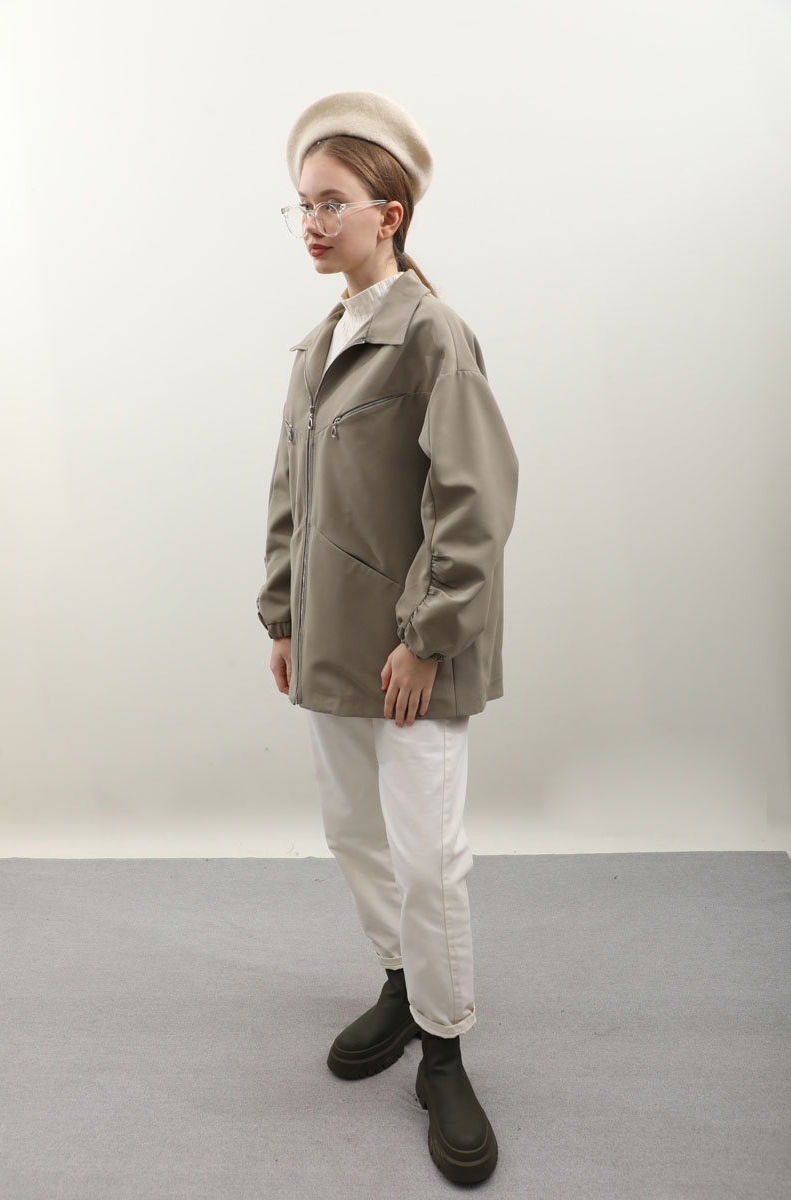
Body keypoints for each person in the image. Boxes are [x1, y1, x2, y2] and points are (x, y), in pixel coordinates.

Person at [256, 89, 519, 1185]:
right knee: (355, 836)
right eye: (301, 205)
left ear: (389, 214)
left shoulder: (431, 337)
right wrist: (282, 614)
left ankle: (444, 1051)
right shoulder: (319, 345)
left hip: (411, 657)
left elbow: (474, 502)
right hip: (330, 648)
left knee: (428, 858)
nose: (311, 223)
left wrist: (425, 638)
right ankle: (402, 988)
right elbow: (290, 493)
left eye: (331, 203)